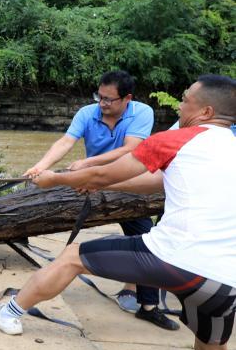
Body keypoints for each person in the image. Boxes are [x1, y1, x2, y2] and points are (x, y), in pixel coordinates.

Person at [0, 74, 236, 350]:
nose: (178, 107)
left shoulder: (176, 139)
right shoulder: (228, 149)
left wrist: (55, 180)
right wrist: (102, 189)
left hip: (170, 257)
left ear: (206, 110)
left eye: (184, 100)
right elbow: (155, 183)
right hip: (224, 278)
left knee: (73, 256)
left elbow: (102, 173)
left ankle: (10, 313)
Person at [22, 70, 172, 328]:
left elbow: (131, 149)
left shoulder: (142, 112)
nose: (101, 104)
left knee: (147, 238)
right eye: (99, 96)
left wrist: (87, 164)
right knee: (39, 207)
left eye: (108, 100)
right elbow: (65, 142)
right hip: (89, 185)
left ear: (127, 99)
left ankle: (149, 306)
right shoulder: (87, 113)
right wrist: (40, 166)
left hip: (126, 185)